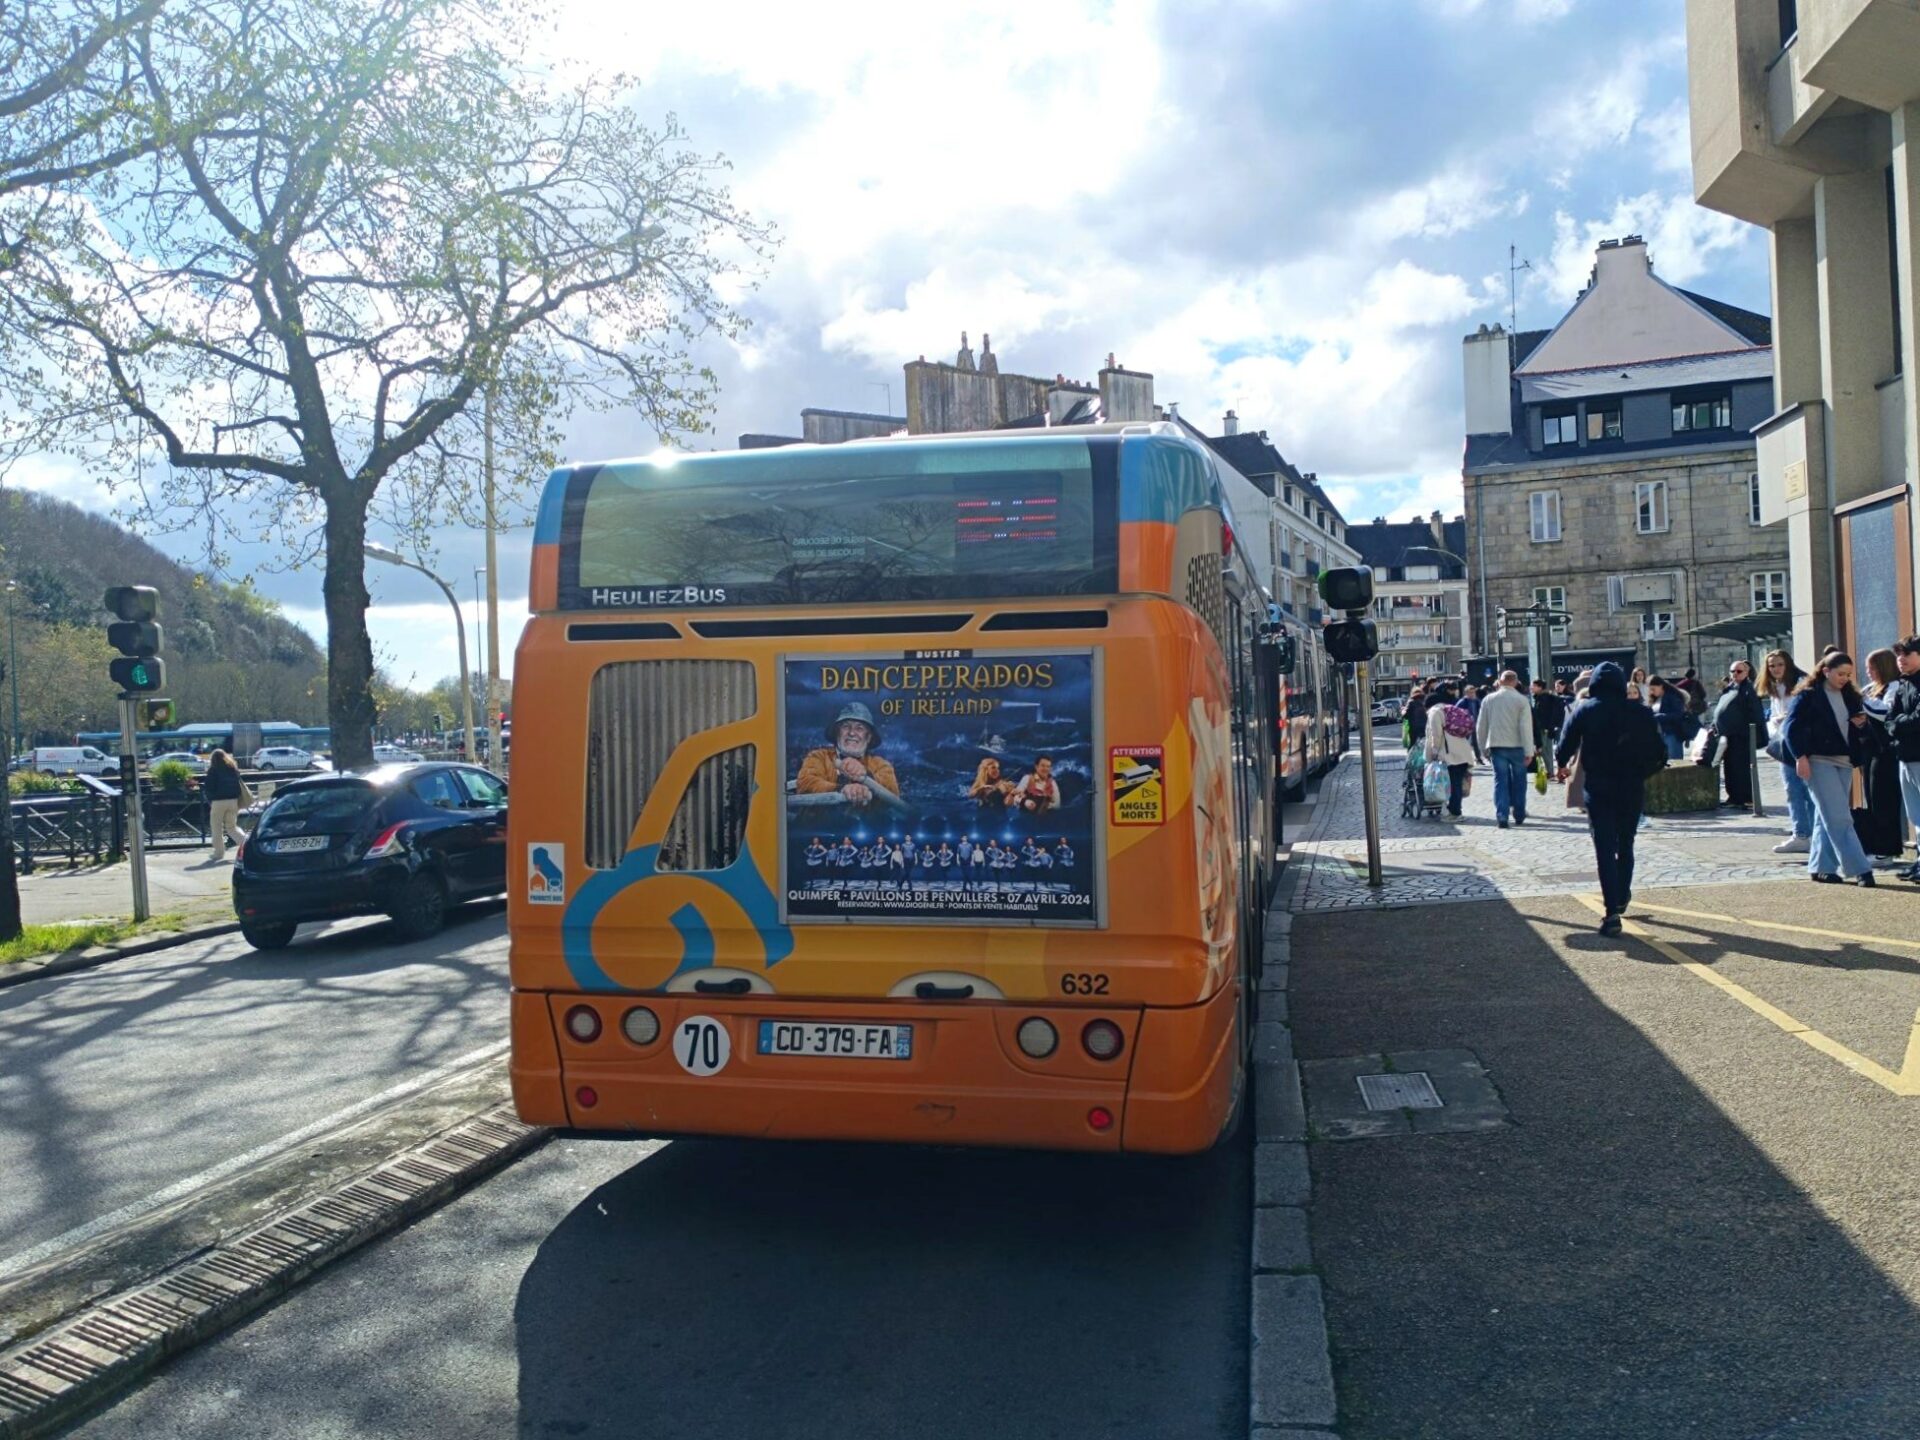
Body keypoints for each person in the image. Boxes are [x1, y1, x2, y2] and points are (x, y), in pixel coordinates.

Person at [1555, 662, 1668, 934]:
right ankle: (1622, 895)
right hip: (1630, 783)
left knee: (1604, 846)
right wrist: (1642, 772)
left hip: (1599, 785)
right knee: (1626, 842)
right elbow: (1660, 753)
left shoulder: (1586, 709)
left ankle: (1610, 913)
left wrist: (1562, 764)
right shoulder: (1641, 713)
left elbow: (1565, 743)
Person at [1784, 651, 1875, 886]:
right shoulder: (1808, 696)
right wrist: (1800, 757)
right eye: (1840, 674)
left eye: (1848, 674)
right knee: (1839, 817)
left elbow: (1861, 732)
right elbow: (1791, 728)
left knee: (1828, 816)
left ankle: (1820, 867)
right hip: (1818, 761)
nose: (1844, 678)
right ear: (1826, 671)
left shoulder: (1851, 696)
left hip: (1844, 761)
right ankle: (1860, 869)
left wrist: (1862, 725)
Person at [794, 703, 903, 811]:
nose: (851, 733)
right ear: (837, 733)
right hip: (819, 826)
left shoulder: (882, 765)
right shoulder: (817, 757)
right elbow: (805, 783)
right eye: (846, 726)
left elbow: (892, 792)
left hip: (864, 826)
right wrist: (842, 789)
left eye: (859, 728)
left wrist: (865, 775)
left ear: (868, 737)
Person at [1759, 649, 1814, 853]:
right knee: (1792, 789)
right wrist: (1775, 721)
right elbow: (1774, 714)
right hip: (1784, 742)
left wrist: (1784, 719)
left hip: (1801, 742)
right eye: (1772, 666)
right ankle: (1800, 833)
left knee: (1807, 790)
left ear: (1788, 664)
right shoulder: (1775, 687)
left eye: (1779, 664)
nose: (1775, 669)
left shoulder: (1801, 683)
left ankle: (1812, 834)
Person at [1855, 647, 1906, 859]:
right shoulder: (1872, 688)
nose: (1869, 672)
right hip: (1871, 751)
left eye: (1872, 668)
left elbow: (1884, 712)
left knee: (1884, 800)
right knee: (1873, 799)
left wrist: (1861, 701)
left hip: (1886, 753)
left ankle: (1888, 848)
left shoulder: (1894, 687)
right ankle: (1878, 845)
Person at [1476, 671, 1535, 828]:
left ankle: (1502, 815)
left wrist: (1483, 749)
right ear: (1515, 682)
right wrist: (1529, 751)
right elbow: (1526, 728)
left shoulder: (1488, 700)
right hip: (1518, 746)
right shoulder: (1522, 700)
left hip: (1497, 745)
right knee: (1520, 781)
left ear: (1500, 682)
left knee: (1500, 780)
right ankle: (1519, 813)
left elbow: (1481, 727)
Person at [1882, 636, 1920, 880]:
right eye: (1898, 655)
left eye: (1907, 654)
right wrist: (1896, 725)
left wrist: (1897, 724)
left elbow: (1917, 720)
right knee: (1915, 815)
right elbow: (1889, 719)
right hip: (1905, 756)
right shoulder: (1903, 684)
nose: (1901, 659)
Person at [1712, 660, 1767, 809]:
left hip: (1741, 736)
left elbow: (1756, 714)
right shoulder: (1730, 688)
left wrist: (1753, 734)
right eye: (1733, 671)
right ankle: (1734, 797)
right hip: (1727, 735)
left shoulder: (1748, 690)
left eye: (1739, 671)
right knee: (1729, 767)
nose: (1735, 674)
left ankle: (1744, 797)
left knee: (1740, 768)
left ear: (1746, 673)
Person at [1423, 683, 1476, 818]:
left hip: (1449, 755)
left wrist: (1434, 753)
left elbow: (1436, 735)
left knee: (1452, 784)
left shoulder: (1435, 712)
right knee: (1456, 782)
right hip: (1462, 752)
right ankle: (1455, 809)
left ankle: (1455, 812)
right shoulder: (1450, 708)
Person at [204, 749, 249, 861]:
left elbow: (209, 788)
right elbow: (238, 785)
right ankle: (247, 846)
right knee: (232, 827)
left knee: (217, 828)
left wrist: (211, 799)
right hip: (233, 801)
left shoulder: (213, 770)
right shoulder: (232, 769)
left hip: (218, 802)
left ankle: (219, 853)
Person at [1646, 675, 1688, 761]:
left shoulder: (1672, 697)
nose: (1652, 692)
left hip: (1672, 734)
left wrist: (1660, 716)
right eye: (1650, 690)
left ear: (1661, 686)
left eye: (1653, 689)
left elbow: (1678, 715)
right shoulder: (1656, 699)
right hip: (1660, 734)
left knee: (1674, 761)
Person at [1529, 678, 1566, 756]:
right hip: (1547, 729)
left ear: (1540, 687)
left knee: (1543, 752)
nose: (1531, 687)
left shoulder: (1542, 699)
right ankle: (1549, 768)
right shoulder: (1542, 697)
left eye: (1534, 685)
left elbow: (1543, 715)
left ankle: (1548, 768)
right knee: (1546, 752)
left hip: (1543, 729)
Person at [1458, 684, 1484, 764]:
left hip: (1475, 724)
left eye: (1473, 692)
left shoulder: (1477, 701)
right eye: (1470, 693)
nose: (1472, 694)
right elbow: (1456, 711)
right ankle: (1463, 758)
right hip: (1466, 725)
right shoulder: (1462, 702)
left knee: (1476, 742)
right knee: (1464, 741)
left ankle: (1478, 758)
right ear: (1466, 693)